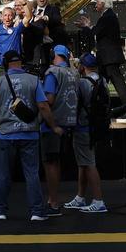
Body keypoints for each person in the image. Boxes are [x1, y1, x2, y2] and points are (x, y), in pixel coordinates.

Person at [0, 51, 61, 222]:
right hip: (29, 133)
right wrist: (54, 126)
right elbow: (43, 105)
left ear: (6, 64)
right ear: (21, 63)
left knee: (3, 174)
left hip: (6, 134)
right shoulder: (33, 80)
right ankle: (36, 211)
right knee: (32, 173)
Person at [64, 53, 108, 213]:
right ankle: (80, 197)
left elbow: (73, 101)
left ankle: (98, 200)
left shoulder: (82, 82)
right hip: (96, 127)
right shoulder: (102, 80)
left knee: (89, 164)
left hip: (82, 126)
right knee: (83, 163)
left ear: (83, 66)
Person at [41, 45, 78, 216]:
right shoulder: (74, 73)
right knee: (56, 163)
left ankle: (53, 202)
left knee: (51, 164)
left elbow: (48, 99)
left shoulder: (53, 73)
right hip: (69, 123)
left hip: (53, 124)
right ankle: (54, 200)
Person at [92, 0, 126, 115]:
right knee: (101, 85)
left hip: (109, 57)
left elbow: (96, 32)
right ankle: (103, 109)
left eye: (97, 2)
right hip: (107, 57)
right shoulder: (109, 16)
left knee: (117, 83)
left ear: (103, 4)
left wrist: (87, 26)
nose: (96, 5)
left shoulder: (107, 17)